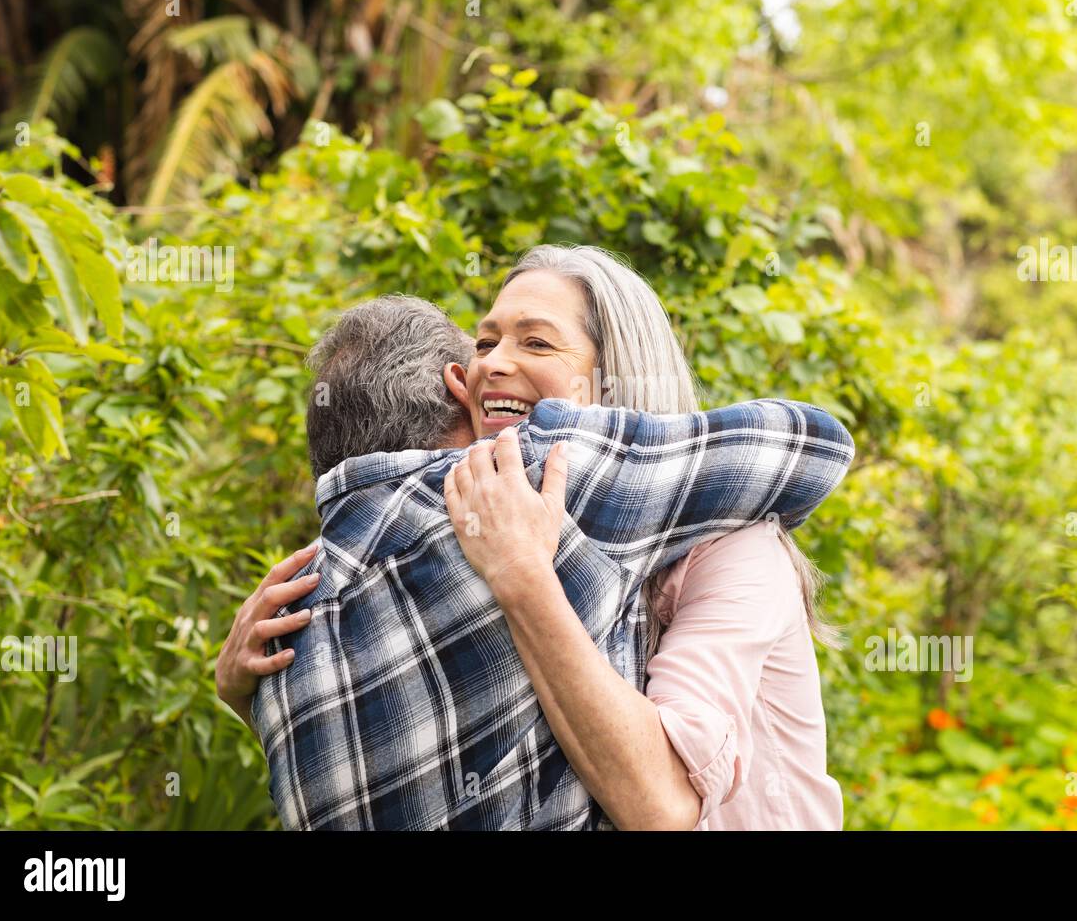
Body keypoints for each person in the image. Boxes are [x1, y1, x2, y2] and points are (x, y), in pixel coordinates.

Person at [219, 283, 853, 829]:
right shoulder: (474, 516)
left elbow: (658, 808)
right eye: (485, 342)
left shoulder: (733, 548)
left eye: (538, 343)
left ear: (615, 376)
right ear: (456, 384)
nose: (494, 364)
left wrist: (523, 575)